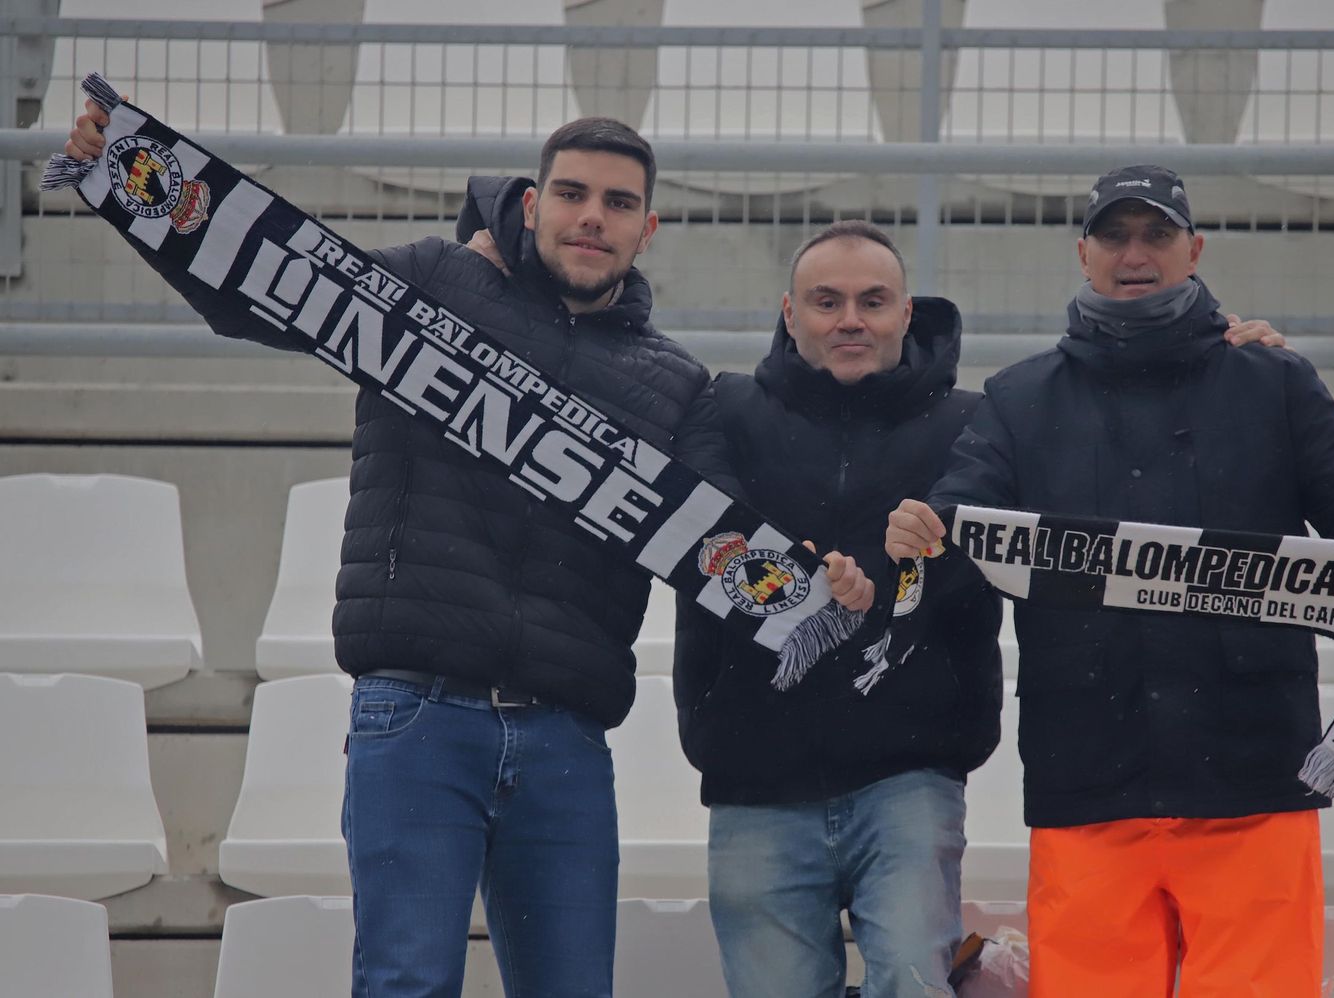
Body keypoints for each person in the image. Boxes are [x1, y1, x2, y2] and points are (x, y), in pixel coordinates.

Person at [63, 107, 869, 998]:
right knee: (409, 983)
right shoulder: (437, 283)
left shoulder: (676, 383)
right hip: (416, 718)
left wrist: (817, 582)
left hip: (565, 738)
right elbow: (265, 290)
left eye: (616, 201)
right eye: (571, 194)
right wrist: (122, 180)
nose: (591, 216)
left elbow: (719, 531)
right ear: (531, 205)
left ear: (649, 227)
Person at [885, 165, 1334, 998]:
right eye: (1115, 236)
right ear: (1082, 253)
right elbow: (957, 524)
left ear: (1193, 250)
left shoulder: (1275, 381)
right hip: (1085, 774)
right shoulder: (1019, 399)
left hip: (1252, 774)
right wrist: (920, 536)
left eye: (1156, 234)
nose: (1136, 253)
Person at [670, 220, 1290, 998]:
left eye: (873, 300)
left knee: (912, 983)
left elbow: (1098, 482)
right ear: (789, 314)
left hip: (908, 777)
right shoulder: (719, 407)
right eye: (826, 302)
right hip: (752, 781)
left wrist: (1218, 363)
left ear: (907, 312)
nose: (850, 319)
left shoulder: (980, 419)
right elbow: (678, 524)